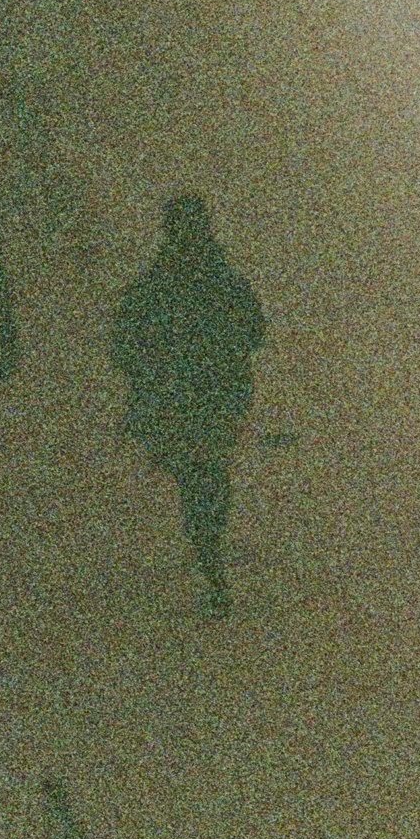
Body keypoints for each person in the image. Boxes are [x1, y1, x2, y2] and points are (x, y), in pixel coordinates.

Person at [109, 193, 266, 618]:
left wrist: (151, 372)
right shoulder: (222, 280)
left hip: (175, 399)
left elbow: (122, 343)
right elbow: (255, 331)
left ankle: (209, 556)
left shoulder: (155, 284)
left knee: (195, 476)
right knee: (210, 475)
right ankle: (211, 557)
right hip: (214, 395)